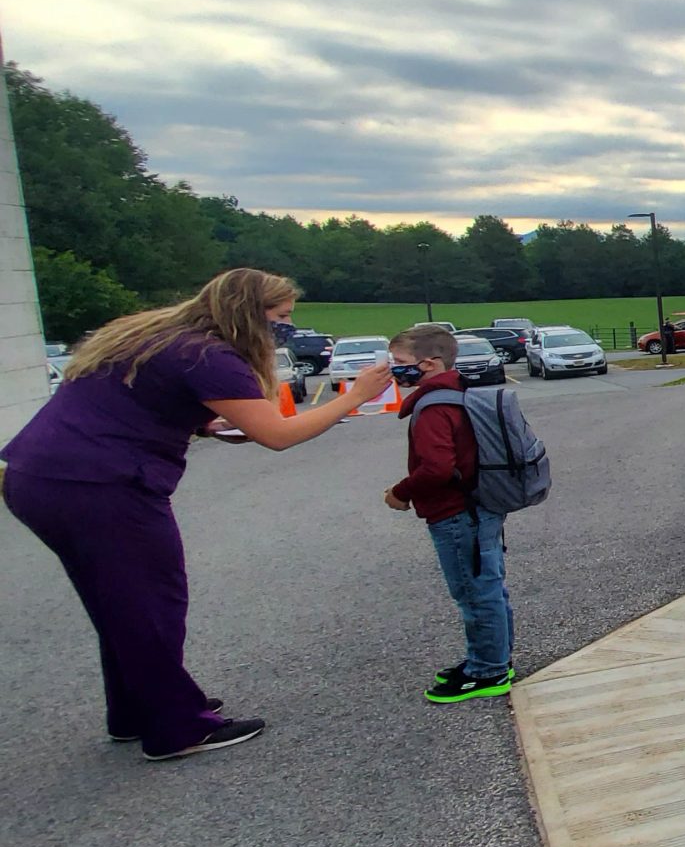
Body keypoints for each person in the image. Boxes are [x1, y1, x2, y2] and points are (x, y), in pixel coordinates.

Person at [1, 268, 393, 760]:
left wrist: (204, 426)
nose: (286, 329)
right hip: (103, 486)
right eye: (281, 319)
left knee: (117, 600)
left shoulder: (153, 336)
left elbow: (136, 403)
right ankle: (177, 727)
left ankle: (138, 709)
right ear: (250, 314)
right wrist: (355, 397)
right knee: (152, 602)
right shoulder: (210, 356)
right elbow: (279, 435)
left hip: (36, 477)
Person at [383, 325, 514, 703]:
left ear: (429, 363)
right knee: (489, 587)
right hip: (481, 508)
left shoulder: (434, 407)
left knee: (475, 594)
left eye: (401, 363)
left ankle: (487, 672)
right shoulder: (459, 393)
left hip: (457, 514)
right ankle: (492, 659)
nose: (396, 370)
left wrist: (400, 492)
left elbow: (437, 468)